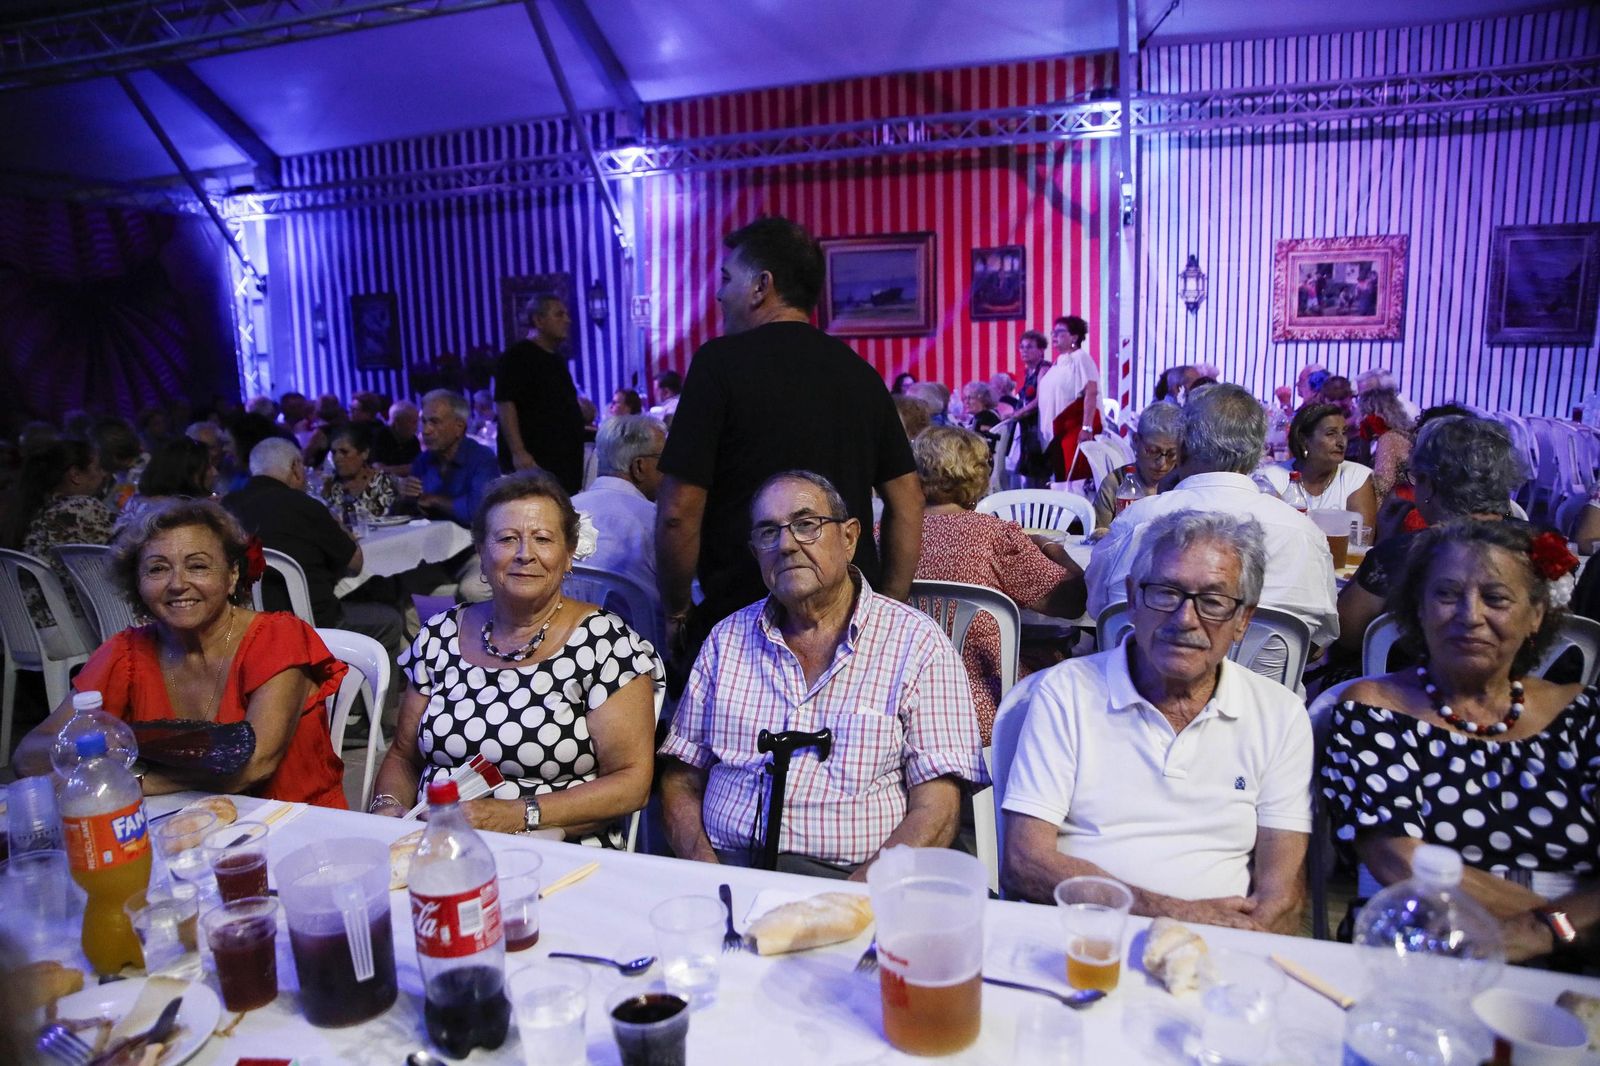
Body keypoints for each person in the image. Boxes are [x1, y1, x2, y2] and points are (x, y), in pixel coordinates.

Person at [658, 471, 987, 879]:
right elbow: (681, 778)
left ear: (849, 538)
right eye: (767, 532)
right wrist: (706, 871)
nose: (786, 544)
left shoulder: (916, 643)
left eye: (806, 525)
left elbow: (938, 806)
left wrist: (855, 896)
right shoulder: (726, 639)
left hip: (859, 879)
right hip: (728, 872)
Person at [1003, 510, 1311, 932]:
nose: (1185, 619)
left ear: (1243, 620)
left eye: (1214, 602)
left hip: (1223, 947)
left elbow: (1284, 888)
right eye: (1165, 593)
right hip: (1084, 940)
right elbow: (1025, 861)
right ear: (1132, 598)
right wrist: (1177, 915)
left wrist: (1241, 943)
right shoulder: (1066, 693)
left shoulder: (1280, 713)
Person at [655, 216, 922, 683]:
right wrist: (889, 604)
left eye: (726, 279)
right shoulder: (860, 374)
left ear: (762, 286)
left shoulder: (718, 365)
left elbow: (679, 509)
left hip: (741, 616)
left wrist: (676, 609)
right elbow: (907, 501)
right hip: (848, 620)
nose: (719, 296)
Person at [1321, 520, 1597, 963]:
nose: (1470, 616)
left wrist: (1546, 933)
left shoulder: (1583, 715)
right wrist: (1558, 924)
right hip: (1420, 954)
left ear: (1536, 615)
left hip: (1570, 969)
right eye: (1446, 595)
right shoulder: (1378, 709)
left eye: (1496, 598)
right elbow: (1398, 861)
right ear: (1419, 609)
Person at [371, 472, 662, 845]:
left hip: (555, 846)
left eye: (542, 539)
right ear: (481, 553)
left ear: (568, 553)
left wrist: (516, 814)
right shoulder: (440, 635)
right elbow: (402, 757)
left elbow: (631, 782)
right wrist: (386, 806)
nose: (525, 553)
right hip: (439, 844)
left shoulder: (605, 644)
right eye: (507, 539)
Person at [15, 499, 349, 807]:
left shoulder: (277, 638)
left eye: (198, 566)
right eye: (157, 569)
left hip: (297, 827)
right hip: (184, 827)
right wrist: (98, 749)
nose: (177, 583)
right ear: (137, 583)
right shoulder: (126, 653)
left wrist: (131, 778)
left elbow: (253, 764)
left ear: (232, 575)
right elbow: (29, 754)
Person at [1086, 384, 1338, 665]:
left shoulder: (1137, 521)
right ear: (1258, 453)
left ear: (1182, 448)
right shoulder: (1304, 533)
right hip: (1263, 705)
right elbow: (1317, 644)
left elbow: (1099, 610)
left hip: (1141, 700)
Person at [910, 427, 1086, 742]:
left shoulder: (885, 534)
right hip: (987, 702)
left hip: (907, 699)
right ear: (978, 476)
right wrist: (1051, 548)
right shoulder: (995, 535)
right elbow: (1072, 603)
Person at [1335, 415, 1526, 659]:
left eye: (1416, 478)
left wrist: (1382, 543)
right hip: (1523, 686)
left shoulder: (1407, 552)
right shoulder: (1544, 545)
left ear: (1429, 484)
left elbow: (1345, 633)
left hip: (1413, 688)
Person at [224, 438, 405, 655]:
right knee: (390, 620)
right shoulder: (305, 506)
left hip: (246, 624)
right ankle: (370, 688)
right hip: (311, 624)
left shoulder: (226, 508)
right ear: (295, 467)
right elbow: (355, 563)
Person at [2, 438, 114, 628]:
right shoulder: (80, 507)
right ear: (76, 475)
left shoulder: (28, 510)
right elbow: (129, 552)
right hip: (67, 628)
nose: (103, 474)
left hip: (26, 629)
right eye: (97, 468)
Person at [494, 296, 586, 492]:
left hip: (561, 461)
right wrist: (519, 452)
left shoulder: (556, 359)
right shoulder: (517, 356)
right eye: (559, 314)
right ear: (538, 320)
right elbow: (505, 403)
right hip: (536, 462)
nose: (567, 320)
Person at [570, 415, 666, 595]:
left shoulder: (561, 511)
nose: (671, 468)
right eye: (665, 458)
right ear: (639, 467)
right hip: (638, 624)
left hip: (567, 622)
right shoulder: (657, 522)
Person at [1257, 402, 1378, 531]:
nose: (1341, 442)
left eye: (1344, 433)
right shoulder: (1273, 478)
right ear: (1304, 440)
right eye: (1331, 433)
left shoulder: (1357, 477)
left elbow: (1360, 543)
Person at [401, 390, 499, 527]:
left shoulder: (481, 458)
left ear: (459, 427)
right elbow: (410, 514)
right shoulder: (422, 460)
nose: (425, 430)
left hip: (473, 545)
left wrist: (433, 500)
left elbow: (478, 514)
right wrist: (405, 496)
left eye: (435, 422)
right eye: (424, 421)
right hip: (431, 541)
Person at [1091, 401, 1181, 532]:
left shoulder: (1182, 483)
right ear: (1136, 441)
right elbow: (1098, 537)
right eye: (1152, 451)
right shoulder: (1117, 482)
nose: (1162, 463)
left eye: (1171, 454)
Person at [1035, 315, 1101, 482]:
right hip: (1058, 427)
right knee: (1058, 474)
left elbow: (1091, 392)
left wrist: (1086, 428)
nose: (1054, 336)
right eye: (1053, 332)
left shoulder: (1080, 358)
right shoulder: (1059, 361)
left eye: (1060, 332)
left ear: (1074, 337)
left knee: (1070, 478)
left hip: (1073, 427)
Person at [119, 436, 216, 532]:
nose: (215, 473)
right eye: (208, 467)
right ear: (187, 473)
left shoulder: (134, 504)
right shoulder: (177, 516)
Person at [317, 423, 398, 520]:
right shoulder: (330, 487)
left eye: (344, 452)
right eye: (334, 453)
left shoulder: (383, 484)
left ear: (364, 453)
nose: (337, 458)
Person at [1003, 330, 1052, 487]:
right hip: (1028, 427)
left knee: (1037, 472)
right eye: (1022, 347)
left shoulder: (1043, 369)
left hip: (1038, 428)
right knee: (1028, 471)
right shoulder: (1029, 371)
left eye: (1029, 347)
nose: (1024, 351)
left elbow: (1040, 400)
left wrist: (1016, 414)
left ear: (1041, 350)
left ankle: (1039, 507)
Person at [1355, 386, 1415, 498]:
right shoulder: (1406, 434)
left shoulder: (1389, 439)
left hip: (1395, 506)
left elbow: (1383, 485)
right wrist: (1365, 443)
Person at [961, 380, 1002, 452]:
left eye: (970, 398)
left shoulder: (985, 417)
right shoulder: (989, 414)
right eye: (965, 398)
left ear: (983, 399)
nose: (966, 402)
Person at [385, 399, 422, 470]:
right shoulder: (380, 437)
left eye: (416, 422)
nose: (416, 427)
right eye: (413, 422)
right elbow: (376, 470)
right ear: (397, 423)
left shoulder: (413, 440)